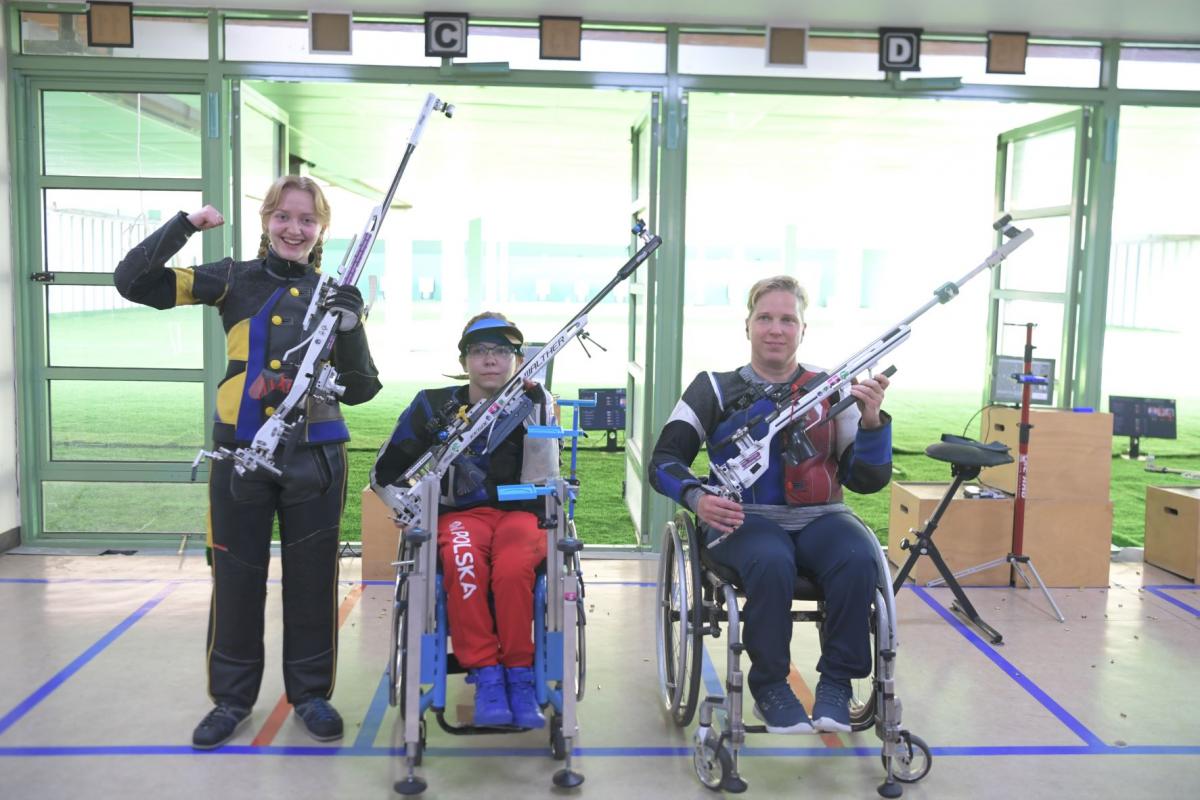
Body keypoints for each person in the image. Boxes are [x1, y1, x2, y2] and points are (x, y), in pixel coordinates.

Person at [113, 175, 382, 749]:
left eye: (307, 220)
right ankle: (232, 700)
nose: (294, 228)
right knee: (236, 579)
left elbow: (360, 389)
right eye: (284, 216)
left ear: (320, 231)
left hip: (318, 457)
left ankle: (311, 695)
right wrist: (185, 225)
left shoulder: (335, 292)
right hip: (239, 452)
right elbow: (134, 282)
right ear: (266, 220)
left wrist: (353, 325)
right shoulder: (232, 277)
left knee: (314, 583)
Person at [649, 275, 891, 735]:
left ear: (803, 329)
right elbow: (664, 460)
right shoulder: (713, 389)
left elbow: (866, 480)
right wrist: (697, 499)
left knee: (860, 557)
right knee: (771, 559)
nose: (775, 329)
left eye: (787, 319)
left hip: (822, 518)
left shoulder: (832, 389)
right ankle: (770, 686)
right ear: (747, 326)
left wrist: (873, 421)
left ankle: (837, 683)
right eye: (765, 318)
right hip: (744, 519)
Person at [372, 312, 557, 729]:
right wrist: (407, 508)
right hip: (459, 516)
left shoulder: (536, 402)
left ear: (516, 359)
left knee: (512, 571)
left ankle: (519, 675)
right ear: (464, 361)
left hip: (519, 516)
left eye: (502, 351)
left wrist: (538, 408)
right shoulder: (432, 404)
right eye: (480, 351)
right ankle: (487, 675)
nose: (490, 360)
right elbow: (385, 473)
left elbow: (547, 479)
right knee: (463, 563)